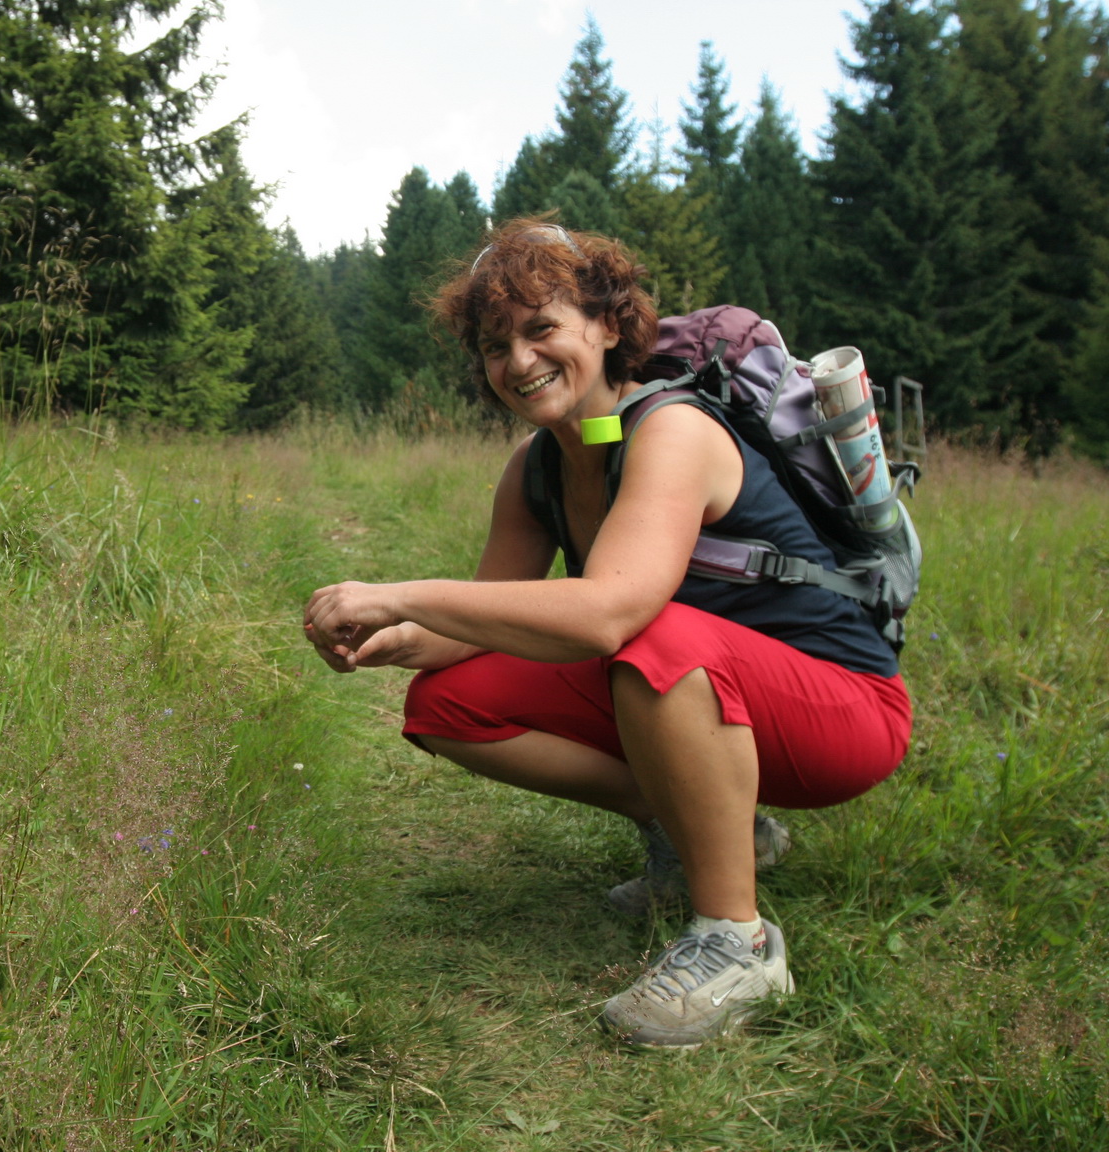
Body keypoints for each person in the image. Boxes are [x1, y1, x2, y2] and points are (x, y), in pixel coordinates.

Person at [302, 218, 912, 1048]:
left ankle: (737, 944)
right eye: (495, 345)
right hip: (711, 693)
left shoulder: (674, 430)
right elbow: (491, 615)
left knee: (651, 640)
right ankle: (701, 832)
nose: (519, 361)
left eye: (541, 328)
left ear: (609, 325)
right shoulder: (540, 465)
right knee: (446, 702)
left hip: (843, 711)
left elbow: (608, 614)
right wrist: (399, 635)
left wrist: (399, 592)